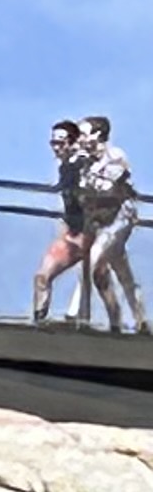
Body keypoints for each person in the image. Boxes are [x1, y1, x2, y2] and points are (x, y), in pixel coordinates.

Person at [78, 116, 140, 334]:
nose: (81, 139)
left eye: (84, 134)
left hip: (121, 217)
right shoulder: (85, 162)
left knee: (93, 258)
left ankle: (80, 315)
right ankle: (137, 318)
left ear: (98, 134)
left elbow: (109, 190)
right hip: (101, 220)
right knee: (121, 268)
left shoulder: (115, 156)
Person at [36, 120, 90, 325]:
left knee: (97, 277)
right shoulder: (63, 166)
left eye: (61, 143)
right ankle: (39, 319)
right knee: (42, 276)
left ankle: (78, 318)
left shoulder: (85, 164)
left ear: (73, 142)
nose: (57, 148)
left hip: (93, 232)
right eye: (53, 143)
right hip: (73, 232)